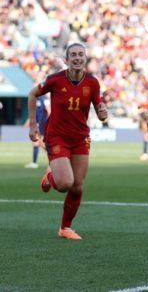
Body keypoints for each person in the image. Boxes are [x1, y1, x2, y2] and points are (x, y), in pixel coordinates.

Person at [28, 42, 108, 240]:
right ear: (66, 59)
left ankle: (65, 228)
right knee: (64, 183)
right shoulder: (55, 80)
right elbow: (32, 93)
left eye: (81, 54)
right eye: (73, 55)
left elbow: (99, 109)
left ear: (85, 58)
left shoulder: (93, 83)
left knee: (77, 185)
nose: (77, 58)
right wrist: (32, 125)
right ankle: (51, 176)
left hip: (80, 138)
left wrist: (102, 113)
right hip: (57, 136)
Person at [24, 95, 50, 169]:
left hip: (42, 123)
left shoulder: (44, 99)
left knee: (39, 142)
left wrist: (49, 122)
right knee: (37, 142)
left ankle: (53, 157)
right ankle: (34, 162)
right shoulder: (35, 99)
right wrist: (29, 122)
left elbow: (49, 110)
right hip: (37, 123)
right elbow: (34, 112)